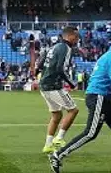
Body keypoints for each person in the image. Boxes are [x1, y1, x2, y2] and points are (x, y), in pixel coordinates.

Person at [49, 33, 111, 173]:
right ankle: (58, 155)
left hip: (100, 96)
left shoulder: (109, 55)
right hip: (98, 96)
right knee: (90, 133)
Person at [39, 26, 80, 154]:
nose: (77, 40)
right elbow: (60, 69)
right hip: (54, 86)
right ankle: (59, 138)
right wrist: (71, 83)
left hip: (44, 85)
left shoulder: (54, 47)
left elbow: (40, 64)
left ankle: (48, 145)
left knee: (56, 115)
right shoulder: (66, 48)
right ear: (71, 36)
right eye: (77, 37)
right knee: (73, 110)